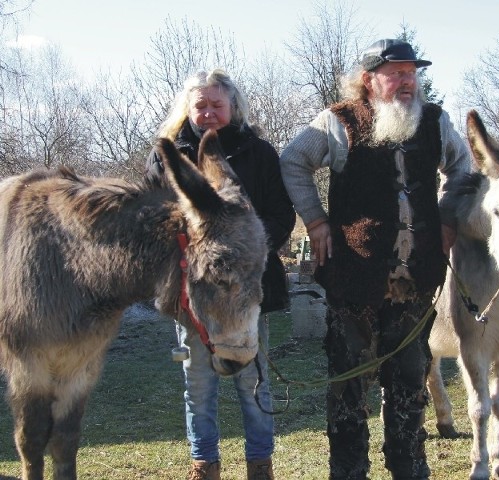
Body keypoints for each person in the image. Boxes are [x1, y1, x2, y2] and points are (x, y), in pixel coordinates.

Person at [279, 39, 471, 479]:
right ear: (369, 80)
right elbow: (293, 161)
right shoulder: (337, 121)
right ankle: (348, 473)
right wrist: (316, 221)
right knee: (347, 386)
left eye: (411, 73)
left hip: (416, 282)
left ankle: (409, 469)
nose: (406, 81)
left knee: (408, 382)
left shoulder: (436, 122)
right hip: (353, 282)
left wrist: (447, 216)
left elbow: (463, 168)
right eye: (395, 73)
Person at [146, 69, 295, 480]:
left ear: (233, 107)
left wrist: (244, 252)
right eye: (201, 105)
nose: (209, 113)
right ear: (188, 109)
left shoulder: (259, 153)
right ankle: (203, 464)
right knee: (199, 387)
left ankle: (260, 464)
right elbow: (153, 220)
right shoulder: (166, 156)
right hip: (192, 294)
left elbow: (282, 215)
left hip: (247, 291)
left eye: (217, 105)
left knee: (253, 385)